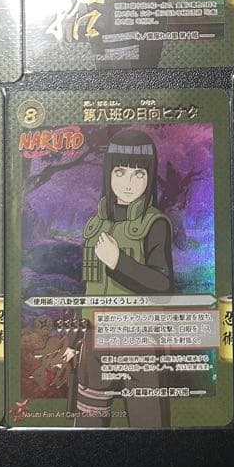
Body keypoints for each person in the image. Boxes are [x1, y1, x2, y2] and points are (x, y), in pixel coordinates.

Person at [75, 129, 174, 427]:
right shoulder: (95, 225)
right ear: (108, 173)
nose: (128, 183)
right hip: (95, 336)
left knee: (148, 421)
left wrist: (119, 262)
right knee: (89, 423)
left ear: (149, 177)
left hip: (139, 337)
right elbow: (87, 287)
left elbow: (163, 284)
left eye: (138, 174)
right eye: (120, 172)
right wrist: (75, 337)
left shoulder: (155, 223)